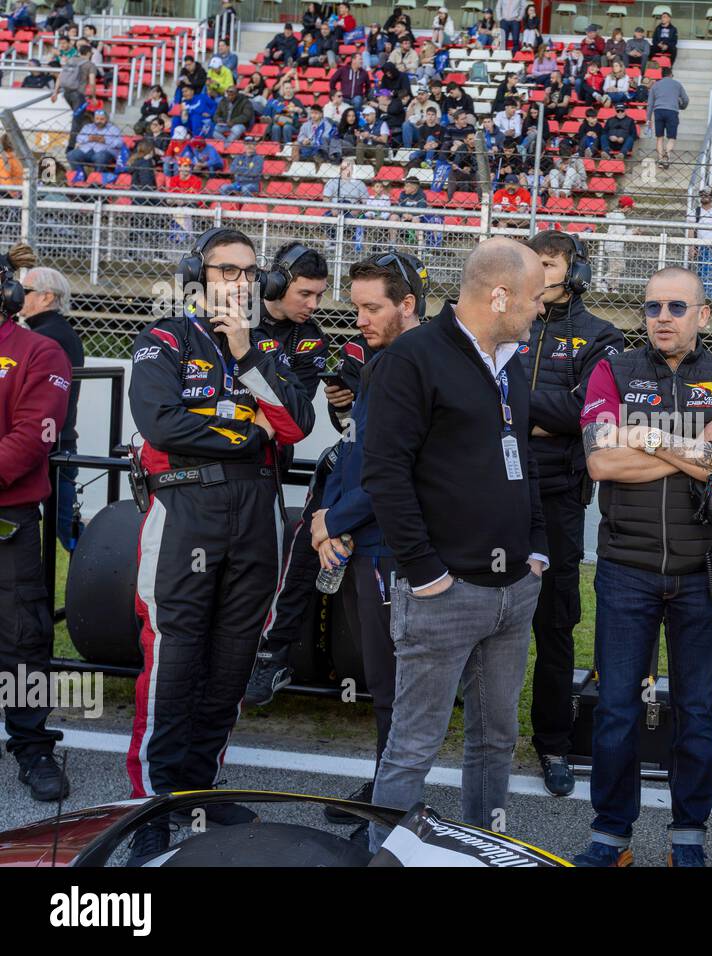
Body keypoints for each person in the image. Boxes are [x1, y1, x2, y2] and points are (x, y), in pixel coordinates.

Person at [125, 227, 315, 864]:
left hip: (258, 513)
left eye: (247, 272)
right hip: (187, 509)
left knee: (233, 656)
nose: (237, 281)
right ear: (196, 275)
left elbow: (295, 425)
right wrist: (243, 428)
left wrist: (247, 358)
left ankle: (196, 788)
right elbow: (161, 422)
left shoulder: (265, 348)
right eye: (225, 269)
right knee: (176, 654)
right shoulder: (164, 339)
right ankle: (151, 803)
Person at [362, 239, 548, 852]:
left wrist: (536, 549)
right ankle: (384, 856)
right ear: (499, 296)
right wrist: (426, 572)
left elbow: (524, 459)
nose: (540, 309)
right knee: (414, 744)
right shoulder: (412, 359)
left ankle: (483, 851)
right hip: (443, 592)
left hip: (513, 590)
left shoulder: (512, 360)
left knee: (496, 737)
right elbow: (385, 473)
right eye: (534, 297)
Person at [572, 266, 712, 867]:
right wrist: (695, 445)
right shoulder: (612, 370)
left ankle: (688, 834)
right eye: (653, 307)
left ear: (703, 316)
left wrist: (646, 438)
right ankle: (612, 833)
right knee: (618, 707)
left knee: (697, 712)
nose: (663, 318)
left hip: (702, 571)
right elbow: (601, 462)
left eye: (677, 307)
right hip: (626, 567)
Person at [304, 255, 421, 834]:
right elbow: (354, 450)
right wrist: (330, 516)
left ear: (408, 304)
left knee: (398, 685)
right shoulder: (379, 360)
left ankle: (394, 803)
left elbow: (394, 469)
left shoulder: (417, 363)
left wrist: (333, 521)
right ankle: (387, 784)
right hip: (363, 539)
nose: (360, 319)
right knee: (383, 681)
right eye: (355, 307)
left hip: (396, 548)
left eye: (372, 307)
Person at [511, 231, 624, 796]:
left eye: (549, 264)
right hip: (494, 491)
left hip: (556, 497)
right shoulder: (507, 321)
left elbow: (588, 414)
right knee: (475, 613)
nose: (539, 272)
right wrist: (533, 418)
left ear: (574, 271)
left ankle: (552, 743)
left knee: (554, 624)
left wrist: (512, 409)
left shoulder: (601, 337)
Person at [0, 243, 73, 803]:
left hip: (9, 520)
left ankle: (31, 746)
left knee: (22, 638)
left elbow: (31, 439)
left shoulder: (39, 351)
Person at [20, 265, 83, 554]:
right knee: (64, 525)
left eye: (26, 291)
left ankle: (100, 581)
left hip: (49, 446)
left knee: (67, 529)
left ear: (46, 297)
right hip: (54, 443)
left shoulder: (49, 337)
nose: (18, 295)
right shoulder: (53, 332)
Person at [647, 66, 688, 170]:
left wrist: (648, 118)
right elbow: (686, 99)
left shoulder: (655, 85)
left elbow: (650, 104)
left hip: (658, 111)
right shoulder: (677, 84)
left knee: (659, 137)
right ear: (670, 74)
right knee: (671, 137)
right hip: (672, 111)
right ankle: (667, 156)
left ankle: (660, 160)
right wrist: (682, 106)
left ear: (662, 75)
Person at [66, 108, 123, 180]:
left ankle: (96, 180)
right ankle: (81, 177)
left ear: (106, 120)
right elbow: (78, 138)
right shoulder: (88, 127)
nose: (99, 121)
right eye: (97, 119)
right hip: (87, 151)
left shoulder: (113, 129)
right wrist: (88, 138)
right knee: (71, 155)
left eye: (102, 119)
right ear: (94, 119)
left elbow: (120, 143)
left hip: (104, 152)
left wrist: (105, 140)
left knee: (100, 157)